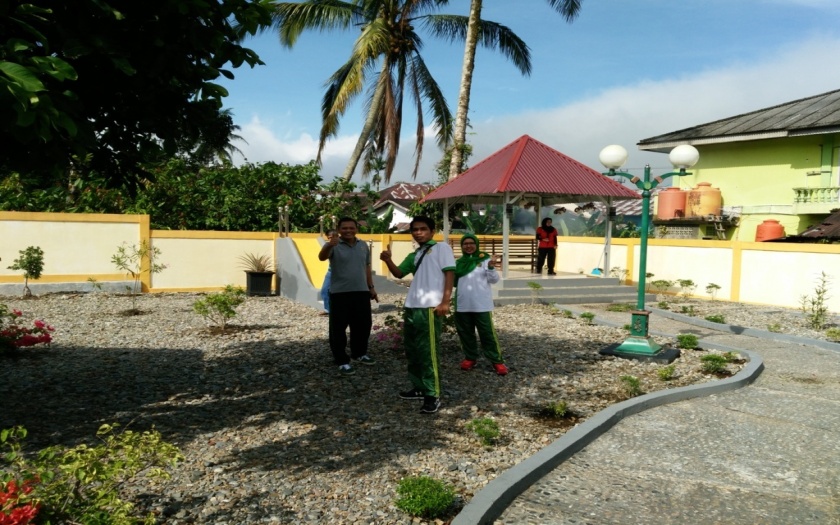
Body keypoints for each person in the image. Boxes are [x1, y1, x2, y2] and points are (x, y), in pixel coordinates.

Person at [380, 216, 455, 414]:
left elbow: (449, 273)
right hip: (412, 305)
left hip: (430, 307)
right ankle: (419, 387)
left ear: (432, 230)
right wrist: (388, 260)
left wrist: (445, 301)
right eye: (415, 229)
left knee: (428, 352)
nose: (418, 232)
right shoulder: (416, 253)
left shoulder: (441, 248)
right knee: (412, 350)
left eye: (423, 229)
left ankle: (432, 394)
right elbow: (398, 273)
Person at [319, 218, 378, 376]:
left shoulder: (363, 245)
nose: (348, 230)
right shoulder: (334, 245)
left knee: (363, 325)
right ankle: (341, 360)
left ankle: (359, 353)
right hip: (340, 293)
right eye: (344, 228)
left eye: (351, 228)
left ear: (356, 229)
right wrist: (328, 244)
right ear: (339, 229)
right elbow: (322, 257)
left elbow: (366, 266)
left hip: (361, 291)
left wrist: (371, 287)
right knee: (338, 329)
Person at [454, 234, 508, 375]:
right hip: (462, 303)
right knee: (465, 333)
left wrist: (491, 267)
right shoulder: (458, 263)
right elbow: (451, 281)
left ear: (476, 244)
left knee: (487, 333)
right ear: (462, 246)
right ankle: (470, 357)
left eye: (471, 243)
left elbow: (494, 280)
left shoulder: (485, 259)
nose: (468, 246)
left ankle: (497, 361)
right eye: (465, 243)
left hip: (481, 304)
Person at [319, 229, 336, 316]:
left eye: (334, 237)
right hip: (331, 272)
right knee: (325, 290)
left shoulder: (343, 245)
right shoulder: (327, 245)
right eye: (330, 238)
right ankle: (328, 309)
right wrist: (329, 246)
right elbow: (322, 257)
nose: (332, 239)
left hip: (342, 273)